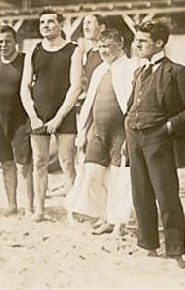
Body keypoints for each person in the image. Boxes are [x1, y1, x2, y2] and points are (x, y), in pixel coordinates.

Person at [124, 19, 185, 268]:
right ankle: (148, 246)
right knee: (141, 194)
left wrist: (169, 127)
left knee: (166, 196)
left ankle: (175, 251)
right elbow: (131, 105)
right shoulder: (138, 71)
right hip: (134, 137)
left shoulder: (176, 72)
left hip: (159, 140)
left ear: (159, 43)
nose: (137, 44)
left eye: (143, 41)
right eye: (136, 40)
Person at [67, 29, 138, 234]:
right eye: (100, 47)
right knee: (92, 175)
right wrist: (83, 131)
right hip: (99, 131)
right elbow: (90, 103)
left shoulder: (130, 67)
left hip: (121, 132)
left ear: (120, 44)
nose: (103, 51)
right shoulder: (99, 70)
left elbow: (132, 104)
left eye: (107, 46)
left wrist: (129, 135)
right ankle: (105, 216)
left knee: (119, 178)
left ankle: (119, 224)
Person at [20, 9, 82, 222]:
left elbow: (75, 88)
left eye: (50, 21)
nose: (45, 25)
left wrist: (59, 117)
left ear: (61, 24)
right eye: (42, 22)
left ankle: (72, 211)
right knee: (39, 162)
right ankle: (39, 210)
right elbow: (25, 87)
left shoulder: (73, 50)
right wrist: (34, 115)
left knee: (67, 163)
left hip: (64, 113)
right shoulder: (34, 51)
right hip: (38, 112)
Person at [0, 25, 33, 216]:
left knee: (24, 165)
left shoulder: (25, 61)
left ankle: (29, 206)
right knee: (6, 164)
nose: (3, 45)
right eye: (0, 42)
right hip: (0, 120)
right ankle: (12, 205)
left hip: (21, 120)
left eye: (7, 41)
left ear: (15, 42)